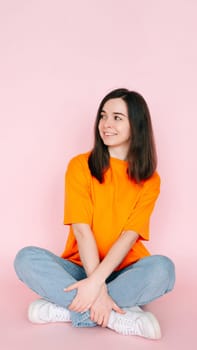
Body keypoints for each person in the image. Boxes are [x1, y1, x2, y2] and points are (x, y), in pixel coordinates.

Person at [14, 88, 175, 340]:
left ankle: (67, 309)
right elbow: (81, 230)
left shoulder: (150, 180)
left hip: (125, 269)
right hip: (79, 268)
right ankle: (114, 315)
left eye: (117, 117)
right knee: (25, 259)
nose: (106, 124)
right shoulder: (80, 166)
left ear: (137, 124)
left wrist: (95, 285)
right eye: (103, 116)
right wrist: (94, 285)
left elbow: (129, 236)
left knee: (164, 270)